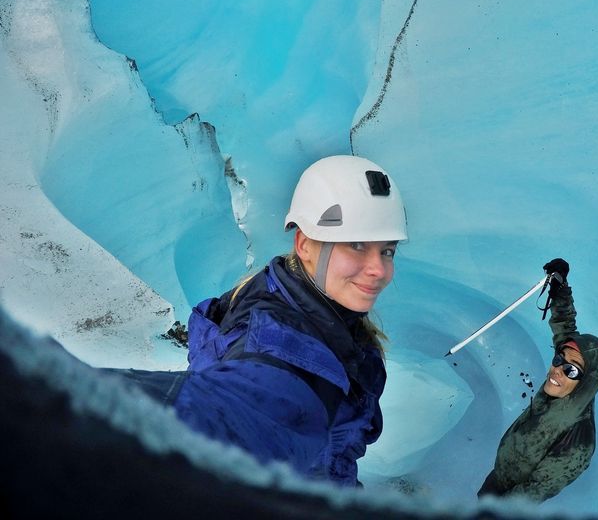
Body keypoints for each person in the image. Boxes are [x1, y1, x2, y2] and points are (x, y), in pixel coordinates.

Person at [120, 155, 407, 486]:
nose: (378, 270)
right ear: (305, 245)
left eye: (387, 250)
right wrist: (66, 408)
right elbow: (237, 413)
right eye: (356, 245)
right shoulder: (283, 346)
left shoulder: (326, 319)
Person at [477, 258, 598, 502]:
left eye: (571, 370)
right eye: (559, 360)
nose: (557, 371)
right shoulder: (567, 386)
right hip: (500, 476)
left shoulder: (578, 443)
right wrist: (560, 286)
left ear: (588, 382)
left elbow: (529, 496)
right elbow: (566, 330)